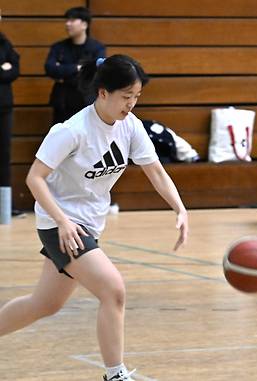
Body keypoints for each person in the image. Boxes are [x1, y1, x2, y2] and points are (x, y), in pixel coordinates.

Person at [0, 55, 189, 381]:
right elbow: (34, 178)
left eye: (136, 97)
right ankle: (115, 374)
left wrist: (180, 208)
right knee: (113, 290)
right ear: (103, 93)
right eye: (125, 97)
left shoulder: (130, 126)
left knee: (43, 304)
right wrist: (62, 220)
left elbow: (155, 171)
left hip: (87, 223)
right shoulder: (72, 130)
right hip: (62, 225)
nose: (131, 104)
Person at [45, 6, 105, 124]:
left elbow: (97, 72)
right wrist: (77, 68)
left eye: (72, 20)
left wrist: (63, 72)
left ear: (84, 24)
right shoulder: (58, 47)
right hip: (63, 102)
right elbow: (50, 68)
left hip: (86, 101)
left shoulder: (97, 48)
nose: (67, 24)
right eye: (67, 20)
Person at [0, 29, 20, 219]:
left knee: (4, 156)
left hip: (4, 107)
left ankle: (5, 208)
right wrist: (2, 68)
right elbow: (6, 71)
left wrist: (8, 69)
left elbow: (15, 70)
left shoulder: (5, 44)